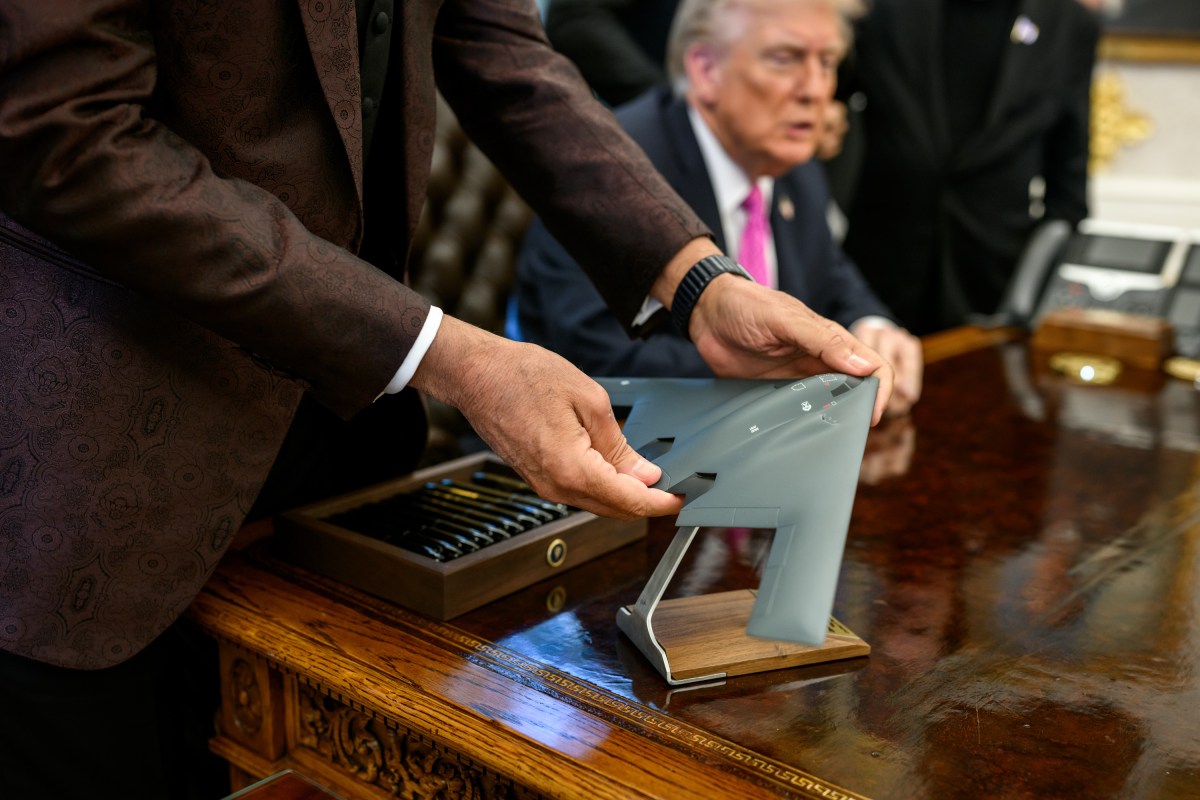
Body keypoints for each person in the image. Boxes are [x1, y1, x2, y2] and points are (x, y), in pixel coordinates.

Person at [0, 1, 894, 797]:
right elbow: (66, 129)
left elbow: (504, 50)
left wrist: (701, 282)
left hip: (343, 447)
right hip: (101, 483)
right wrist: (443, 351)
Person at [517, 0, 923, 416]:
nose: (816, 90)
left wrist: (871, 327)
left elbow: (830, 276)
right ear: (705, 69)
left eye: (827, 62)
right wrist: (782, 375)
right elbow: (591, 351)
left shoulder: (791, 165)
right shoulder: (612, 168)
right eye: (785, 60)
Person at [838, 0, 1101, 335]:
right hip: (880, 263)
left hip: (994, 270)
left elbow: (1069, 168)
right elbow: (825, 106)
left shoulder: (1069, 22)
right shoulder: (884, 8)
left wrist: (1049, 287)